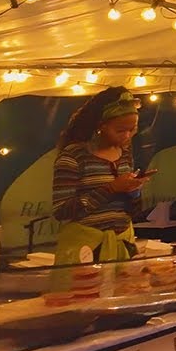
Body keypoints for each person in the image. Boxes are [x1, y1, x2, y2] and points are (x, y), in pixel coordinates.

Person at [52, 87, 151, 264]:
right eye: (120, 130)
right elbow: (61, 211)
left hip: (123, 247)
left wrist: (134, 191)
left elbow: (131, 212)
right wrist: (111, 188)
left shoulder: (125, 154)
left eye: (132, 129)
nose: (127, 136)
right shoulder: (73, 156)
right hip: (86, 252)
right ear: (101, 126)